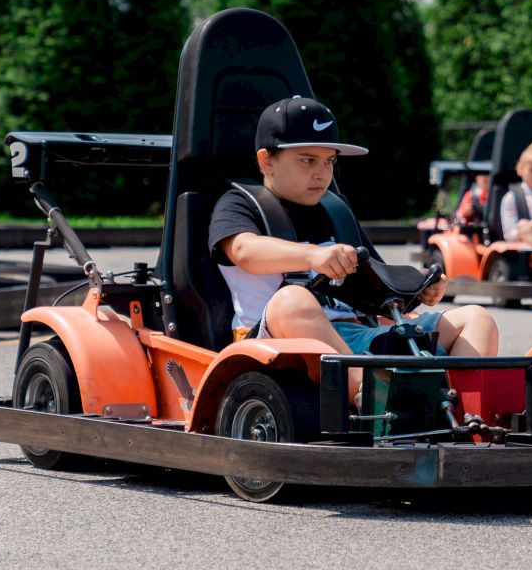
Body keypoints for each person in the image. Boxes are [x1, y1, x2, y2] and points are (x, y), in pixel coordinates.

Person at [210, 95, 499, 403]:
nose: (322, 173)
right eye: (308, 160)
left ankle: (467, 415)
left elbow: (376, 278)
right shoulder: (240, 204)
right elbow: (243, 250)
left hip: (358, 338)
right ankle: (377, 402)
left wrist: (419, 288)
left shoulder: (336, 211)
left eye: (329, 161)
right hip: (278, 344)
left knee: (477, 318)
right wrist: (312, 255)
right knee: (293, 300)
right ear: (267, 160)